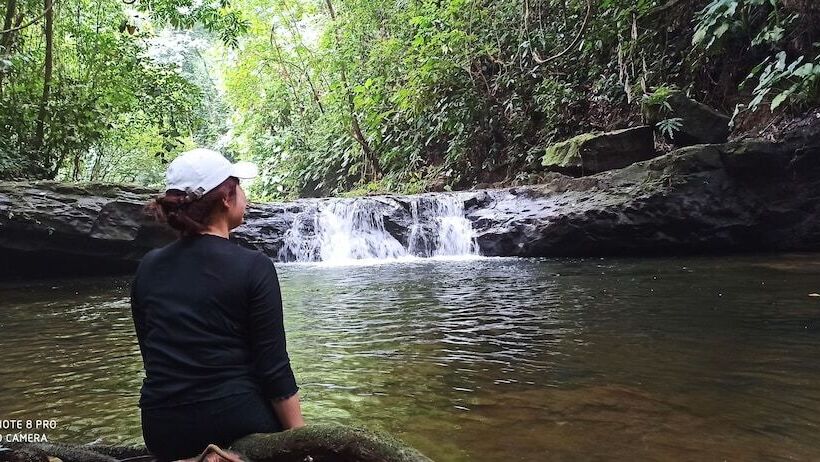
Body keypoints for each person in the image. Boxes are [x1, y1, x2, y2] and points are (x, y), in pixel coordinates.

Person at [129, 148, 305, 462]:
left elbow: (153, 358)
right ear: (226, 198)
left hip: (162, 428)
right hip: (237, 421)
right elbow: (274, 371)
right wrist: (301, 442)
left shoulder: (148, 267)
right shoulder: (254, 266)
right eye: (239, 186)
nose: (245, 194)